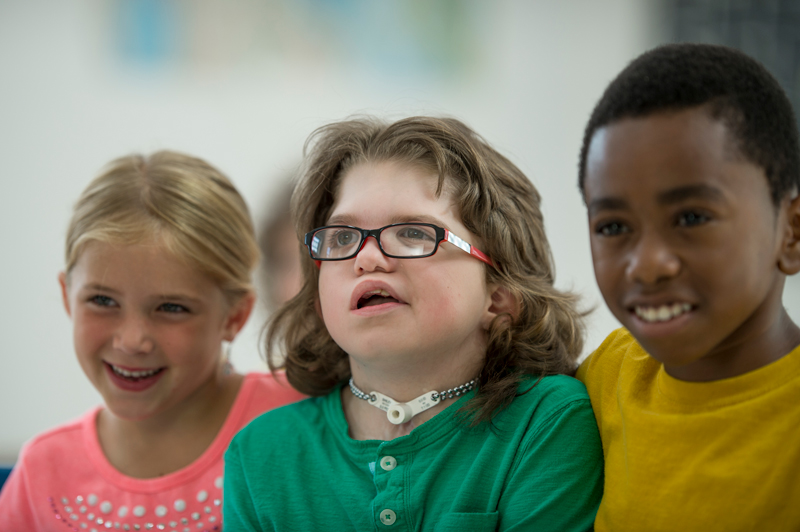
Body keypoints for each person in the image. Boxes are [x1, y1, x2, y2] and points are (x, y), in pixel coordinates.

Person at [224, 116, 604, 530]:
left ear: (500, 295)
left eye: (412, 233)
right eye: (343, 238)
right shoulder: (259, 452)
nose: (366, 258)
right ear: (319, 301)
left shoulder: (546, 420)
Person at [0, 151, 305, 530]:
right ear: (67, 296)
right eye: (102, 301)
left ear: (234, 316)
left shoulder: (301, 420)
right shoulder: (41, 471)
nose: (131, 341)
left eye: (171, 308)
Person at [576, 43, 800, 530]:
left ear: (792, 231)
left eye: (692, 217)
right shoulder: (606, 375)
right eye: (613, 227)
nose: (648, 265)